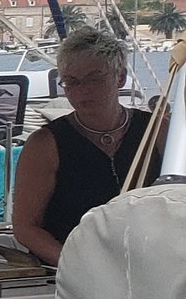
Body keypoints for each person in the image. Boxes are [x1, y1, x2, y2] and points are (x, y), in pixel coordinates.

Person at [11, 25, 162, 265]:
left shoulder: (157, 131)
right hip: (72, 272)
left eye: (94, 79)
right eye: (72, 82)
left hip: (149, 263)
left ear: (120, 77)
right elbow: (26, 227)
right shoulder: (45, 145)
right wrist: (73, 266)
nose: (83, 91)